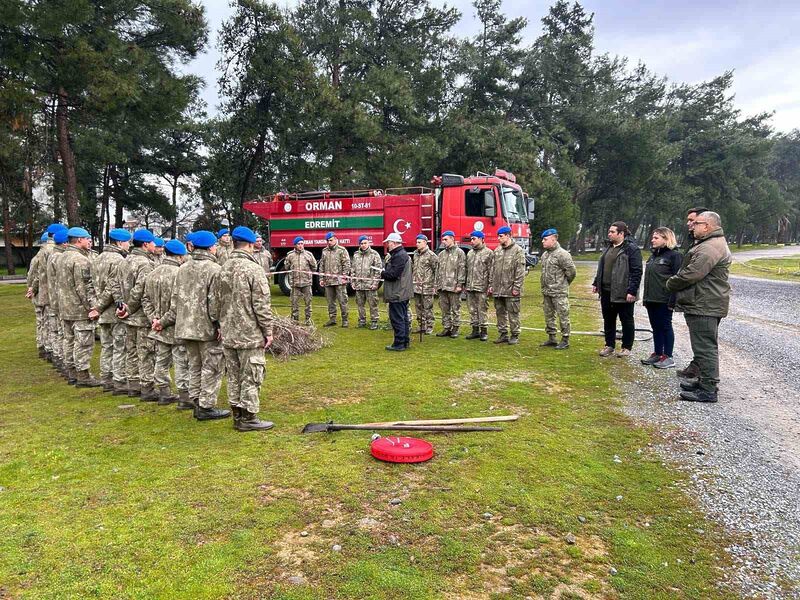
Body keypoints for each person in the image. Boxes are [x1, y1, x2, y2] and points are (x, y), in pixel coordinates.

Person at [156, 230, 230, 421]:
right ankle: (206, 406)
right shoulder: (214, 269)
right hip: (206, 328)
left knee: (194, 367)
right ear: (211, 247)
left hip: (185, 327)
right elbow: (215, 303)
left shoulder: (182, 269)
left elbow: (175, 303)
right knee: (212, 368)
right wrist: (219, 324)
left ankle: (196, 401)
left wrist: (163, 322)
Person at [210, 226, 275, 431]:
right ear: (248, 244)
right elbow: (261, 305)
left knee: (234, 375)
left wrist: (218, 324)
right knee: (251, 374)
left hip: (228, 332)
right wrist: (268, 331)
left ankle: (237, 415)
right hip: (249, 333)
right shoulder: (253, 269)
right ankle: (249, 417)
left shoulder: (223, 268)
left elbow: (214, 302)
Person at [666, 211, 731, 403]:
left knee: (705, 347)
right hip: (704, 301)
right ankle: (704, 381)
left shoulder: (710, 247)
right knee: (702, 345)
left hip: (705, 303)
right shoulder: (709, 244)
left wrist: (671, 283)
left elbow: (691, 274)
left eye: (697, 223)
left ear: (708, 226)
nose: (692, 226)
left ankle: (708, 388)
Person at [143, 239, 188, 406]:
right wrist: (162, 321)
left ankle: (164, 392)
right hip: (176, 326)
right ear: (180, 256)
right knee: (181, 361)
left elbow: (145, 299)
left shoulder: (153, 272)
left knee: (161, 360)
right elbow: (179, 304)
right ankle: (185, 395)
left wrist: (153, 319)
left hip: (159, 327)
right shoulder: (181, 274)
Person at [57, 227, 102, 387]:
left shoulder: (61, 257)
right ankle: (83, 376)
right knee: (83, 343)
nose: (89, 241)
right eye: (87, 238)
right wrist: (93, 307)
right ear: (79, 240)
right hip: (79, 309)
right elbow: (84, 287)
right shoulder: (81, 260)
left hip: (65, 307)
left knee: (69, 340)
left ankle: (71, 373)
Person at [116, 229, 157, 400]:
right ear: (146, 244)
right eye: (153, 242)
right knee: (145, 352)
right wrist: (129, 308)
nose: (155, 245)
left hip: (128, 315)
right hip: (140, 315)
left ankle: (132, 384)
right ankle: (146, 387)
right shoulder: (145, 264)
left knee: (131, 351)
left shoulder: (124, 261)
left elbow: (115, 285)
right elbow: (141, 289)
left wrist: (122, 306)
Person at [592, 221, 642, 357]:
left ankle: (626, 347)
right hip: (607, 291)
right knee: (608, 319)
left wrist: (632, 291)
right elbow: (602, 267)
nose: (609, 234)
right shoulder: (607, 247)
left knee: (626, 320)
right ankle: (609, 345)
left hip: (623, 292)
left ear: (621, 234)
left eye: (612, 232)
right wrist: (596, 283)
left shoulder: (631, 249)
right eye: (609, 231)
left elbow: (636, 272)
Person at [92, 228, 132, 392]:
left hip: (102, 311)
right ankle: (119, 381)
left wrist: (96, 306)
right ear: (119, 242)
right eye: (127, 242)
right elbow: (113, 287)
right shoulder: (118, 260)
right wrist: (118, 305)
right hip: (114, 310)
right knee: (120, 347)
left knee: (107, 346)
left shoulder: (97, 258)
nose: (129, 245)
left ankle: (106, 379)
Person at [641, 227, 682, 369]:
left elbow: (678, 279)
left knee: (665, 326)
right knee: (655, 327)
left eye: (656, 238)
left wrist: (673, 300)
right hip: (651, 298)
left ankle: (668, 356)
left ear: (666, 239)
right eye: (653, 237)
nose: (652, 240)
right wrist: (645, 298)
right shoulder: (653, 256)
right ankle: (658, 353)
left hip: (664, 299)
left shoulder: (674, 256)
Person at [676, 207, 709, 378]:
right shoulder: (694, 241)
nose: (689, 224)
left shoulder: (707, 245)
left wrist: (673, 283)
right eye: (688, 221)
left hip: (703, 299)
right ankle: (697, 366)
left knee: (704, 341)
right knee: (698, 339)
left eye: (693, 221)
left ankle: (706, 378)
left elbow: (694, 272)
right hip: (694, 297)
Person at [26, 224, 63, 359]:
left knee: (43, 322)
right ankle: (51, 351)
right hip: (51, 294)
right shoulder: (53, 250)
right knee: (52, 324)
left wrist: (32, 288)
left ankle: (44, 347)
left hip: (42, 292)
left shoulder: (42, 252)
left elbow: (35, 275)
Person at [539, 228, 576, 350]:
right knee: (549, 315)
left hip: (559, 292)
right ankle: (552, 337)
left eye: (545, 239)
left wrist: (563, 284)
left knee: (563, 315)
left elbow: (571, 272)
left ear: (554, 239)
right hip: (547, 291)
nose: (543, 242)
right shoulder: (545, 255)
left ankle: (565, 339)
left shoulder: (563, 254)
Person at [489, 226, 526, 345]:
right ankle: (503, 333)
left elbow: (520, 271)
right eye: (498, 236)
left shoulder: (517, 251)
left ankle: (515, 334)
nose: (498, 239)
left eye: (501, 236)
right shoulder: (497, 251)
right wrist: (491, 285)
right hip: (498, 289)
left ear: (508, 236)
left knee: (513, 313)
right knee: (500, 312)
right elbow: (492, 269)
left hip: (511, 289)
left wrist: (517, 287)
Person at [380, 232, 413, 351]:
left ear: (393, 243)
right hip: (402, 292)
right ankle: (404, 342)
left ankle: (399, 343)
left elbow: (393, 274)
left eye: (388, 243)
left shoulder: (399, 256)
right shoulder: (402, 254)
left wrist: (382, 273)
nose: (387, 245)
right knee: (403, 317)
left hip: (397, 292)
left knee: (397, 318)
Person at [45, 229, 69, 376]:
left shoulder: (52, 255)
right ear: (65, 243)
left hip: (54, 298)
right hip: (62, 300)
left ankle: (58, 358)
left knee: (59, 331)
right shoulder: (59, 257)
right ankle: (63, 362)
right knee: (64, 333)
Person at [436, 230, 466, 338]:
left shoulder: (459, 253)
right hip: (442, 286)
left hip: (453, 287)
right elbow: (438, 271)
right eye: (443, 239)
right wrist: (437, 285)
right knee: (444, 309)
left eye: (446, 239)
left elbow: (462, 269)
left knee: (455, 309)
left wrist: (460, 285)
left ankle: (456, 328)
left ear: (452, 239)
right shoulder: (441, 254)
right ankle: (446, 327)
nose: (444, 242)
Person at [464, 230, 493, 341]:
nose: (472, 241)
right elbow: (466, 269)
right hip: (470, 286)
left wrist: (490, 285)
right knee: (472, 309)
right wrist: (465, 284)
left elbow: (491, 270)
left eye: (474, 239)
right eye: (471, 239)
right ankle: (475, 330)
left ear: (481, 239)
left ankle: (484, 331)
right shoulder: (470, 253)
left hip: (482, 286)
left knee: (482, 309)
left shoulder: (488, 253)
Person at [318, 231, 351, 327]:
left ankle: (345, 320)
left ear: (336, 239)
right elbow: (322, 265)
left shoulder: (342, 250)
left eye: (331, 240)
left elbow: (347, 264)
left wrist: (344, 276)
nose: (329, 242)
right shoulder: (325, 251)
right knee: (330, 301)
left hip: (339, 281)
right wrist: (321, 278)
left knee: (343, 301)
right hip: (328, 281)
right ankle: (332, 319)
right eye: (327, 240)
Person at [351, 235, 382, 329]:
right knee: (360, 304)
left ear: (368, 243)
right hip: (359, 285)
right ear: (359, 244)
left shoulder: (374, 254)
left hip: (370, 285)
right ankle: (362, 320)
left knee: (373, 304)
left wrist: (375, 283)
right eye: (361, 243)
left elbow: (378, 270)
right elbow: (353, 269)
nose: (363, 245)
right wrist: (353, 282)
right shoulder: (356, 255)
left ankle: (374, 321)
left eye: (365, 243)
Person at [284, 236, 316, 325]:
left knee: (308, 303)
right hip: (295, 283)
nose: (301, 245)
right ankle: (295, 320)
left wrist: (308, 274)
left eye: (302, 243)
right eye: (299, 244)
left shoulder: (308, 255)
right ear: (295, 245)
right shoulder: (290, 255)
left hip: (306, 283)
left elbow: (314, 267)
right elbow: (286, 267)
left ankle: (308, 320)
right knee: (294, 304)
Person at [411, 234, 438, 334]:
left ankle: (430, 326)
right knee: (418, 307)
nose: (417, 244)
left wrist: (435, 285)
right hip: (416, 285)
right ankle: (421, 325)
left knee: (428, 307)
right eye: (416, 242)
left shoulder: (431, 256)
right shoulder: (415, 254)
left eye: (419, 242)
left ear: (425, 243)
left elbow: (436, 271)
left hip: (427, 286)